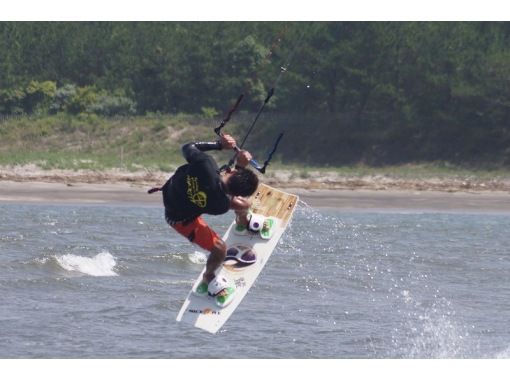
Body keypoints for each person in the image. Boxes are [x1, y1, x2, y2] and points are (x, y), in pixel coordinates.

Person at [151, 134, 259, 306]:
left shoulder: (205, 165)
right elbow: (225, 191)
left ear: (230, 173)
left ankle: (242, 222)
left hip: (175, 199)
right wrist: (239, 166)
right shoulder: (221, 205)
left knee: (237, 212)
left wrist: (219, 145)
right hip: (180, 219)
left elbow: (187, 146)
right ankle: (208, 277)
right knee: (220, 248)